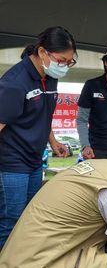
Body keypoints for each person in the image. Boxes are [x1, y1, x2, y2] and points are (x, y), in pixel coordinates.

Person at [0, 26, 77, 249]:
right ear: (42, 53)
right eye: (61, 60)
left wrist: (53, 142)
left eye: (69, 62)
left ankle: (19, 266)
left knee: (28, 218)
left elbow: (44, 114)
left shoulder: (50, 77)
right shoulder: (15, 81)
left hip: (35, 161)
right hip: (11, 163)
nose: (64, 66)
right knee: (9, 222)